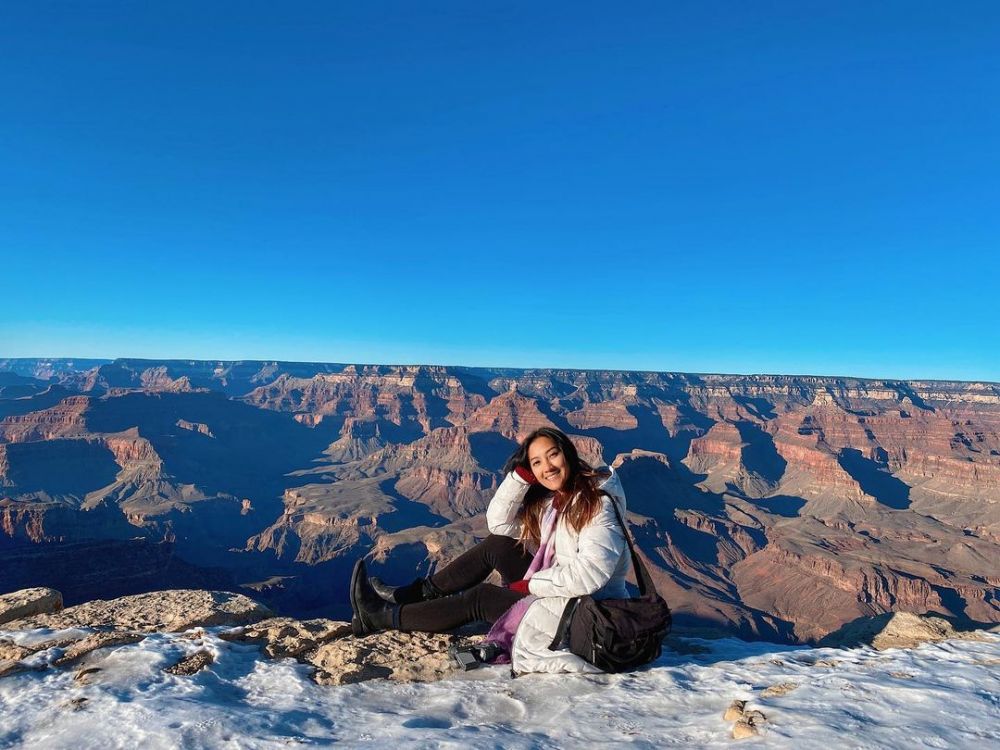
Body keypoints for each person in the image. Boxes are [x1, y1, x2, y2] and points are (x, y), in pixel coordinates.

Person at [349, 426, 630, 673]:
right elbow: (498, 524)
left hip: (586, 612)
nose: (547, 467)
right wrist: (520, 477)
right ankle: (409, 596)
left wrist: (531, 585)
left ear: (567, 453)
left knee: (481, 598)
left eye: (553, 455)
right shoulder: (558, 502)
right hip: (564, 595)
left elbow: (592, 574)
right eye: (536, 462)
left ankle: (381, 617)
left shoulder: (596, 504)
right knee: (497, 546)